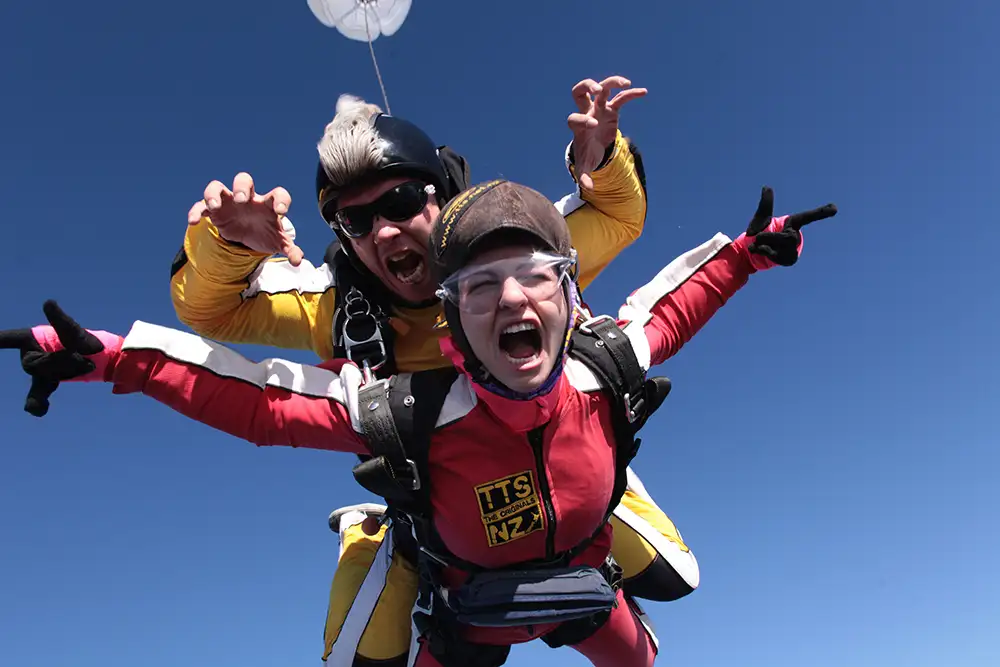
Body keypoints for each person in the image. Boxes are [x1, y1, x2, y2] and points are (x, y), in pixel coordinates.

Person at [1, 178, 837, 666]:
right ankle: (377, 528)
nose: (511, 298)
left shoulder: (607, 359)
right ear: (450, 322)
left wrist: (748, 252)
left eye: (535, 276)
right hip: (466, 607)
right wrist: (112, 357)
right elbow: (257, 399)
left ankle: (628, 527)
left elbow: (675, 304)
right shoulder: (404, 413)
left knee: (651, 646)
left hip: (586, 580)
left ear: (572, 296)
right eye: (480, 287)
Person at [164, 76, 705, 666]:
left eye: (399, 204)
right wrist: (227, 245)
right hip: (438, 507)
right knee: (361, 660)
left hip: (564, 466)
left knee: (673, 574)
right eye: (356, 223)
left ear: (442, 195)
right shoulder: (342, 311)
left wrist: (597, 159)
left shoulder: (516, 253)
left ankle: (599, 528)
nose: (384, 232)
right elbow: (212, 312)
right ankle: (369, 531)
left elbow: (618, 215)